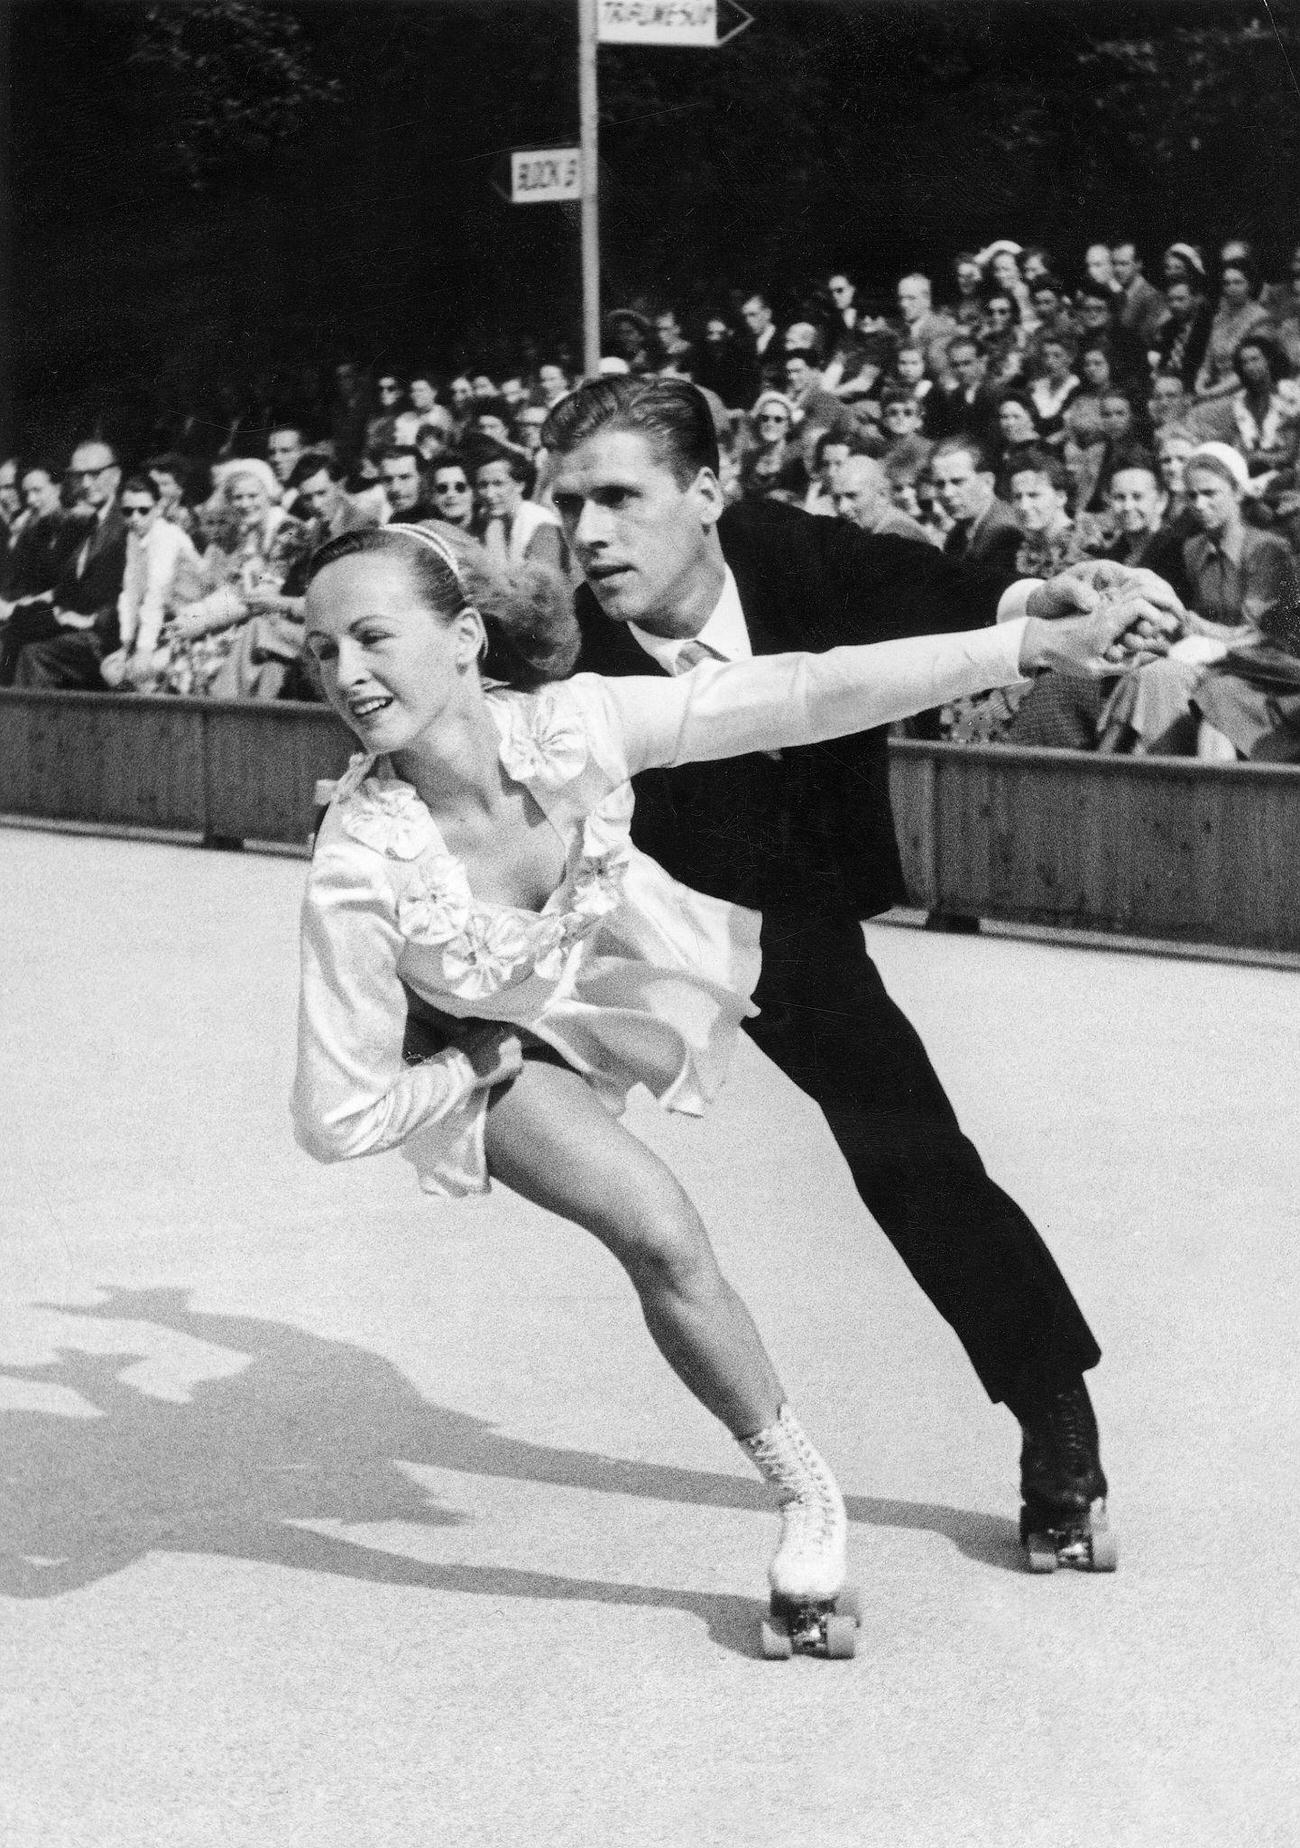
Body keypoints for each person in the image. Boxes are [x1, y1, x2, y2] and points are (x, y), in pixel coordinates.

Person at [295, 514, 1147, 1604]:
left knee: (910, 1142)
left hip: (653, 938)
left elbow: (803, 690)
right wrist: (471, 1063)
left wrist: (1019, 642)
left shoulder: (576, 721)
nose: (346, 676)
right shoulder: (357, 868)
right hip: (487, 1032)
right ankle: (807, 1499)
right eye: (322, 652)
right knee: (659, 1233)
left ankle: (1050, 1412)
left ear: (465, 638)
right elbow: (335, 1116)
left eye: (371, 637)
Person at [542, 376, 1182, 1565]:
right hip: (622, 921)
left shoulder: (799, 554)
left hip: (787, 910)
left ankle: (1053, 1415)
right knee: (547, 1153)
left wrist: (1052, 595)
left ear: (708, 493)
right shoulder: (562, 637)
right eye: (570, 501)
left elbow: (948, 598)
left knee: (915, 1160)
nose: (589, 533)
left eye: (620, 498)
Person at [4, 439, 126, 690]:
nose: (86, 484)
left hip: (104, 635)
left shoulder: (124, 523)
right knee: (10, 635)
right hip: (78, 625)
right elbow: (67, 588)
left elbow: (122, 595)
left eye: (94, 474)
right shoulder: (87, 523)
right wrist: (23, 607)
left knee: (34, 654)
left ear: (115, 475)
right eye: (78, 476)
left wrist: (66, 616)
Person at [99, 475, 203, 691]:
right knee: (112, 669)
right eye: (128, 511)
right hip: (165, 623)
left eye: (143, 510)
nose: (135, 517)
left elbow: (156, 594)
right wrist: (127, 644)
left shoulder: (166, 536)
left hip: (193, 623)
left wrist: (144, 650)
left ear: (157, 508)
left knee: (142, 671)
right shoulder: (134, 537)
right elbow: (130, 593)